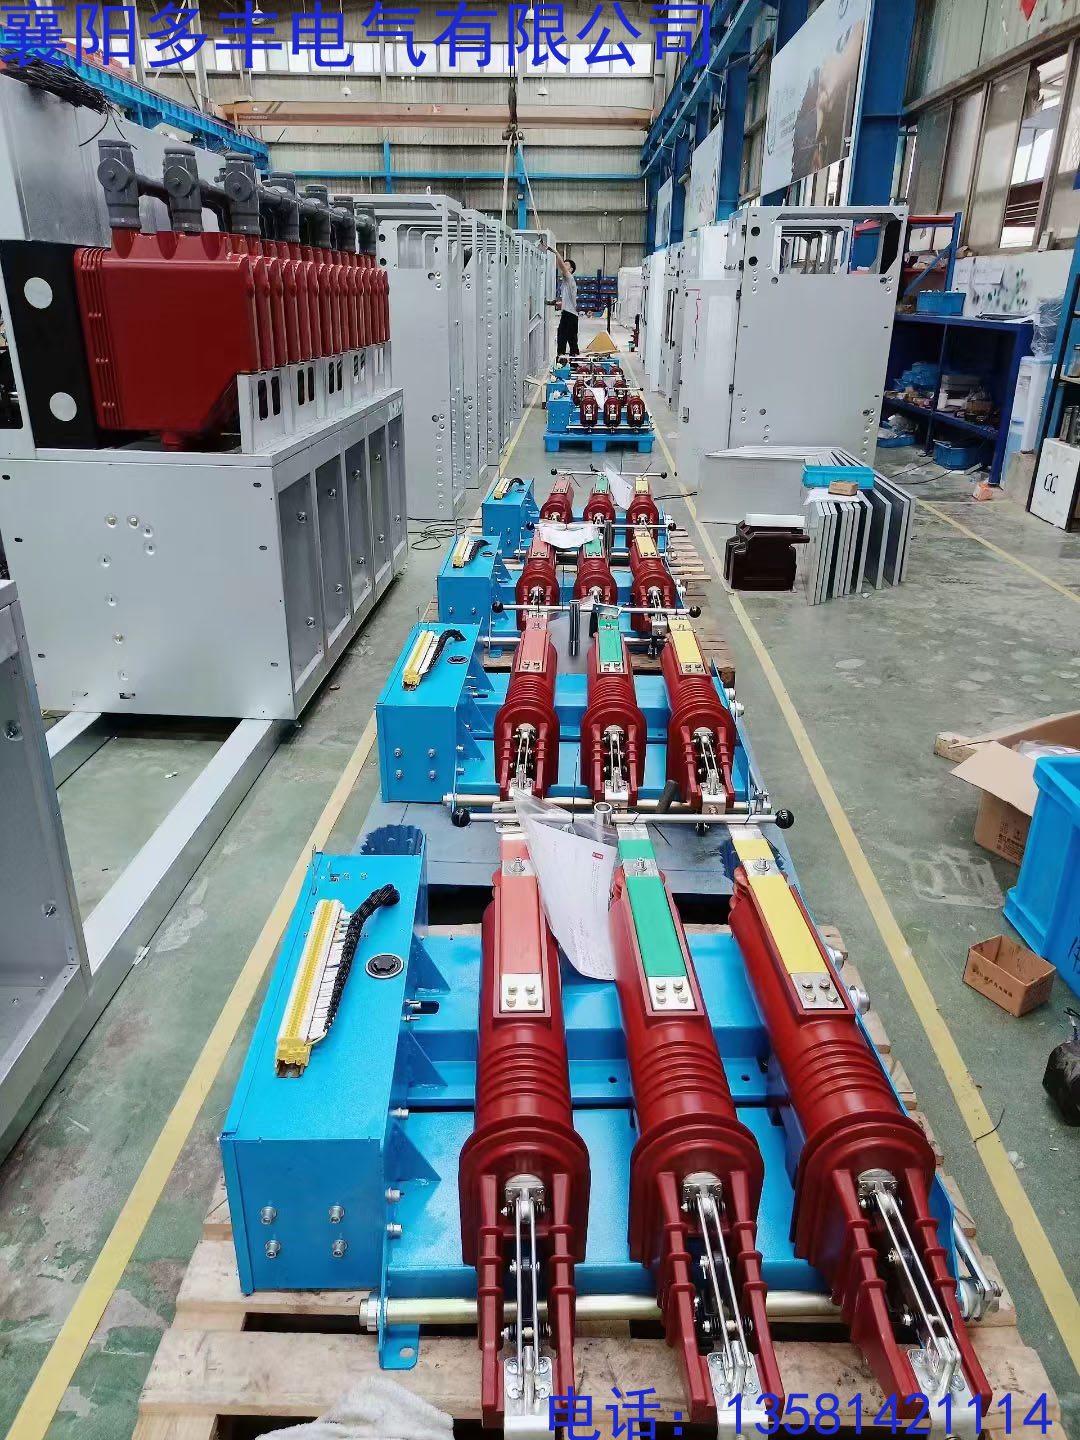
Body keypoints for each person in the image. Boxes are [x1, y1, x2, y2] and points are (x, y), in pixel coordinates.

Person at [546, 245, 578, 358]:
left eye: (566, 265)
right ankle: (575, 363)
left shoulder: (569, 278)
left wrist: (555, 252)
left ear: (571, 269)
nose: (564, 266)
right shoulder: (566, 282)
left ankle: (561, 361)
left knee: (562, 339)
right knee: (572, 341)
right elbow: (566, 302)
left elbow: (561, 266)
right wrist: (551, 303)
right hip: (571, 315)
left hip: (569, 315)